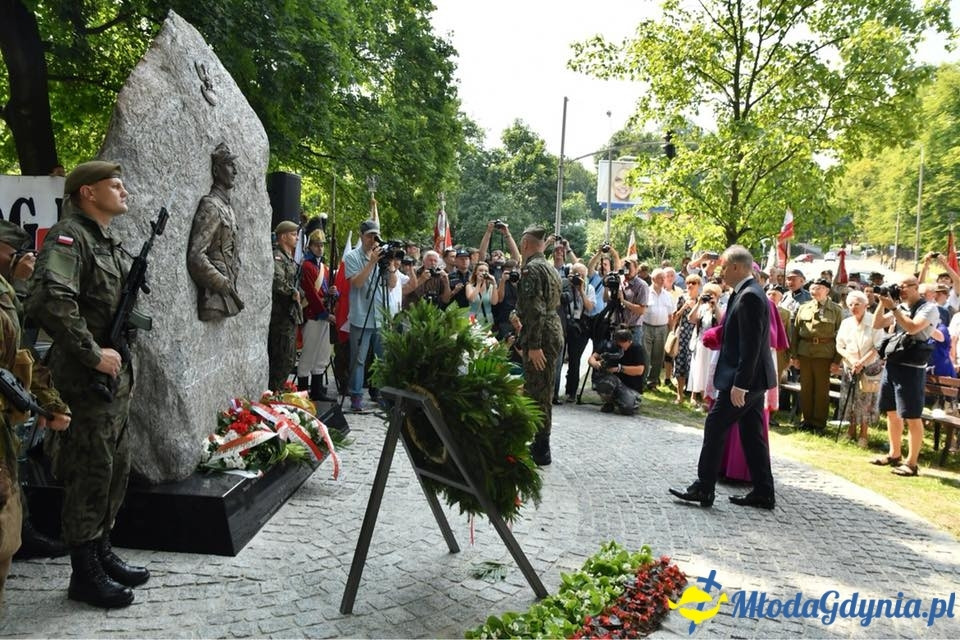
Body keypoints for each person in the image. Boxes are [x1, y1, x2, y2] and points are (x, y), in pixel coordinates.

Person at [27, 161, 150, 608]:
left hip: (114, 382)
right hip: (85, 379)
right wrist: (94, 353)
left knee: (114, 464)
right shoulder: (68, 237)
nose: (123, 190)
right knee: (89, 468)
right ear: (86, 193)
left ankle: (101, 549)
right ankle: (84, 571)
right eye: (114, 185)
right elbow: (50, 300)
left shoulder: (110, 243)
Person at [669, 245, 777, 510]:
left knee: (715, 425)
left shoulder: (750, 296)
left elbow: (751, 346)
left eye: (725, 267)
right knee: (753, 435)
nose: (721, 272)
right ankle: (764, 491)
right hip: (753, 379)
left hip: (746, 380)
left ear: (738, 267)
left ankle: (704, 487)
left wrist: (740, 384)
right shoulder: (748, 293)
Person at [0, 222, 71, 599]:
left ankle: (22, 534)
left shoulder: (9, 293)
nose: (19, 258)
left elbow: (22, 352)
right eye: (12, 252)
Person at [871, 276, 939, 477]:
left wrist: (893, 308)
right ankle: (894, 453)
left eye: (904, 287)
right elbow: (877, 324)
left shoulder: (928, 308)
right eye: (898, 288)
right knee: (891, 412)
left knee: (911, 416)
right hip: (893, 364)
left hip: (912, 368)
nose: (901, 291)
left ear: (916, 287)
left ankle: (912, 463)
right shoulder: (900, 307)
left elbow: (912, 328)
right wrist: (883, 302)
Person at [515, 226, 563, 465]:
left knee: (538, 391)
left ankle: (541, 446)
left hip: (541, 336)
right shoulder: (550, 268)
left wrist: (533, 344)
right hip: (552, 330)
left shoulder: (532, 270)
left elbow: (536, 309)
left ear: (525, 244)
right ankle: (539, 442)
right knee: (542, 388)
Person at [187, 143, 244, 321]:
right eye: (229, 165)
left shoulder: (228, 209)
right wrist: (220, 282)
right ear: (216, 171)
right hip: (214, 297)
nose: (235, 171)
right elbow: (196, 256)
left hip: (228, 294)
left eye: (234, 166)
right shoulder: (211, 205)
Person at [344, 220, 396, 412]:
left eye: (376, 236)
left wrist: (390, 265)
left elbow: (391, 284)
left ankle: (379, 392)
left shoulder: (381, 256)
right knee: (358, 359)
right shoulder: (352, 257)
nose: (373, 240)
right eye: (369, 236)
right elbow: (356, 283)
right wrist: (371, 262)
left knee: (381, 358)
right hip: (361, 314)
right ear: (361, 236)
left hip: (380, 315)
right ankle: (356, 395)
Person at [789, 278, 843, 432]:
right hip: (805, 352)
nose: (814, 291)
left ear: (827, 290)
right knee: (805, 388)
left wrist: (837, 360)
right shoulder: (803, 308)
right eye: (812, 288)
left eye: (818, 288)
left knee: (821, 391)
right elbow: (795, 334)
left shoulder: (836, 310)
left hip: (825, 354)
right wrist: (794, 356)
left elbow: (841, 336)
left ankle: (818, 423)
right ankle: (806, 420)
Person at [835, 290, 883, 448]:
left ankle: (864, 434)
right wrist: (851, 360)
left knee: (865, 401)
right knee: (849, 399)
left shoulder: (874, 321)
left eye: (857, 304)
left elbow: (877, 347)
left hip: (869, 367)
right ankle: (850, 431)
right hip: (850, 365)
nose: (853, 307)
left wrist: (861, 362)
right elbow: (839, 345)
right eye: (850, 305)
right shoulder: (846, 322)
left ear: (866, 305)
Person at [297, 229, 338, 400]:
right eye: (316, 245)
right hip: (314, 314)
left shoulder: (324, 267)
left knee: (322, 355)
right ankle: (303, 393)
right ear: (310, 247)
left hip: (324, 314)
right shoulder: (306, 266)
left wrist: (335, 293)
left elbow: (326, 291)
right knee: (308, 355)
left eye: (322, 245)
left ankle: (317, 390)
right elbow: (312, 295)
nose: (320, 248)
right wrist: (323, 313)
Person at [268, 221, 303, 390]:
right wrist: (292, 291)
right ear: (283, 236)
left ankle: (278, 391)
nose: (297, 238)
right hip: (280, 316)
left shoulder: (289, 259)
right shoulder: (277, 256)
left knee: (289, 359)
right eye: (293, 234)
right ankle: (274, 394)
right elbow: (277, 281)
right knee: (281, 359)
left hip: (290, 315)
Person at [587, 328, 646, 415]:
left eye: (623, 343)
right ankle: (609, 402)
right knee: (604, 384)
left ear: (629, 341)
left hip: (630, 386)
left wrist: (619, 368)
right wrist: (597, 364)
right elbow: (591, 359)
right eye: (618, 342)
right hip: (614, 381)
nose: (620, 346)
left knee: (627, 410)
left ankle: (630, 401)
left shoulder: (637, 349)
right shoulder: (610, 346)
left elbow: (640, 370)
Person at [560, 263, 596, 402]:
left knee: (574, 360)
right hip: (565, 324)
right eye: (576, 274)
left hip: (580, 327)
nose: (579, 278)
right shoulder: (565, 286)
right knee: (560, 358)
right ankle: (556, 390)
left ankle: (571, 391)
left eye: (582, 275)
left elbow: (590, 307)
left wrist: (581, 290)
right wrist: (567, 285)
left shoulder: (589, 288)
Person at [672, 274, 702, 405]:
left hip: (695, 336)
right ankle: (680, 395)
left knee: (694, 366)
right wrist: (684, 307)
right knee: (680, 364)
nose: (690, 285)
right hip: (683, 335)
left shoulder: (702, 300)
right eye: (688, 283)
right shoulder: (681, 298)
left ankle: (693, 396)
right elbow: (675, 317)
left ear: (698, 285)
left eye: (693, 283)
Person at [642, 268, 674, 390]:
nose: (662, 280)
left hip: (662, 328)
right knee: (645, 355)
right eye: (659, 278)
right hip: (647, 327)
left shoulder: (668, 295)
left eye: (663, 278)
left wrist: (671, 331)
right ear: (653, 279)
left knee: (658, 356)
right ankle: (642, 381)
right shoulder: (646, 293)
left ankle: (653, 382)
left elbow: (671, 315)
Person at [466, 261, 500, 325]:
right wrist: (478, 284)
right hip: (473, 317)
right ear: (475, 272)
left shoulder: (490, 287)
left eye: (486, 271)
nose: (483, 273)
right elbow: (472, 299)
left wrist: (494, 283)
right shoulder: (469, 286)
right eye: (480, 270)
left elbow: (494, 302)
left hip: (487, 317)